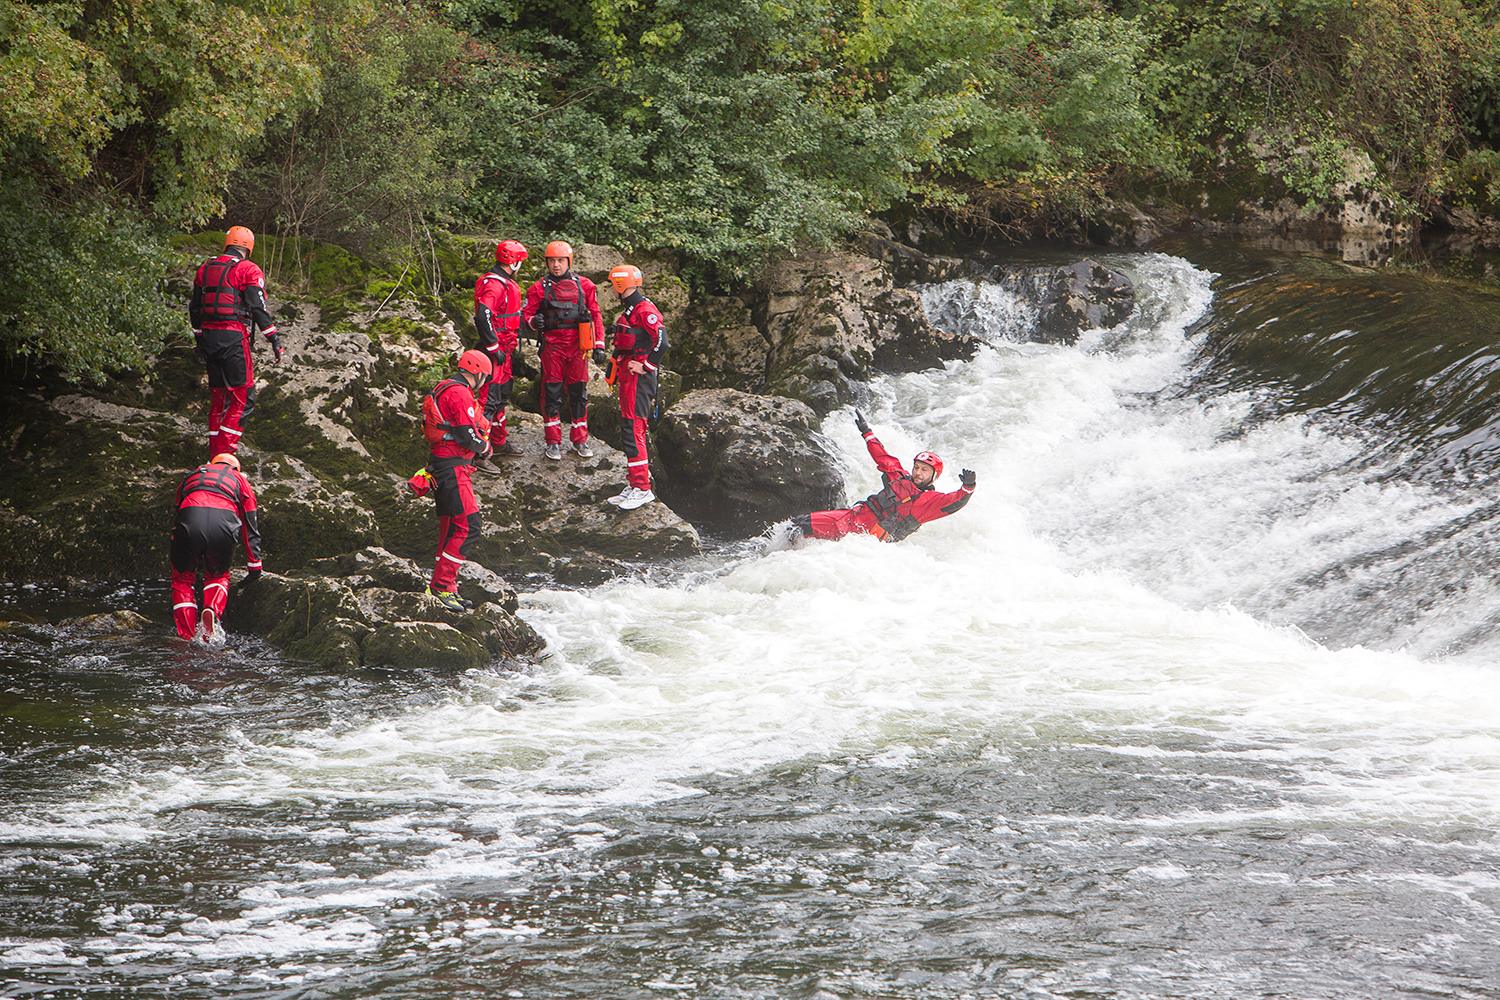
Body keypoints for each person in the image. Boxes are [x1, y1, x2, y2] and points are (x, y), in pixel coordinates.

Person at [791, 411, 976, 542]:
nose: (918, 472)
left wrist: (968, 487)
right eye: (917, 467)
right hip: (851, 518)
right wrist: (867, 432)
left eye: (925, 470)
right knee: (797, 526)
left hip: (865, 539)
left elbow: (954, 502)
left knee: (801, 528)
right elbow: (881, 456)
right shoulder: (899, 477)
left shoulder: (928, 501)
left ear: (934, 476)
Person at [188, 226, 284, 457]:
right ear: (248, 247)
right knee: (243, 397)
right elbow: (257, 308)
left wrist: (199, 339)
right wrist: (274, 339)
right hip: (232, 336)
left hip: (209, 337)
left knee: (219, 397)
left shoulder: (205, 268)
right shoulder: (248, 269)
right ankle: (225, 455)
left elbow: (195, 307)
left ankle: (214, 455)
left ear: (227, 243)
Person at [424, 349, 495, 611]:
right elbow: (468, 436)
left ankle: (442, 586)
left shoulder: (446, 388)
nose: (484, 383)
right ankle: (443, 586)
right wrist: (485, 448)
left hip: (445, 466)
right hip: (452, 468)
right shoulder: (459, 392)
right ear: (476, 372)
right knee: (469, 525)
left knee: (451, 527)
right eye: (484, 378)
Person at [521, 240, 605, 460]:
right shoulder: (539, 288)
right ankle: (553, 442)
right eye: (552, 261)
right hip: (552, 347)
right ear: (547, 263)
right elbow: (525, 314)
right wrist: (533, 321)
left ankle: (580, 439)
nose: (556, 265)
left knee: (579, 394)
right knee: (552, 394)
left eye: (560, 260)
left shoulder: (585, 286)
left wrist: (599, 345)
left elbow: (595, 314)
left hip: (578, 347)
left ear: (569, 261)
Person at [169, 453, 262, 643]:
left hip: (190, 520)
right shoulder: (240, 481)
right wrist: (254, 566)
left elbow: (177, 511)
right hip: (224, 524)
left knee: (183, 580)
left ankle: (186, 636)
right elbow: (250, 527)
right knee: (218, 575)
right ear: (237, 469)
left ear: (211, 463)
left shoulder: (192, 475)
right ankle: (211, 609)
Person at [602, 264, 668, 511]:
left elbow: (662, 342)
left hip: (639, 378)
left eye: (612, 284)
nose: (610, 289)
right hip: (628, 377)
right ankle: (634, 483)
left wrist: (646, 366)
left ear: (620, 284)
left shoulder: (644, 310)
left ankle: (642, 489)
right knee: (628, 429)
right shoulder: (630, 311)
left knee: (635, 428)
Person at [473, 239, 528, 472]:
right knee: (488, 400)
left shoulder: (504, 283)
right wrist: (493, 346)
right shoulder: (495, 285)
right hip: (494, 351)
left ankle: (499, 441)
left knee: (502, 396)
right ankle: (479, 453)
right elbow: (483, 315)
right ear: (514, 263)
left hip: (504, 349)